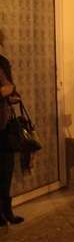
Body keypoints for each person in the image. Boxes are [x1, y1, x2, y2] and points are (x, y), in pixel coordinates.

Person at [0, 29, 24, 226]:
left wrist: (12, 96)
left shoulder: (3, 62)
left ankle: (7, 210)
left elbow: (10, 87)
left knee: (7, 168)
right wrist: (3, 92)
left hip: (5, 121)